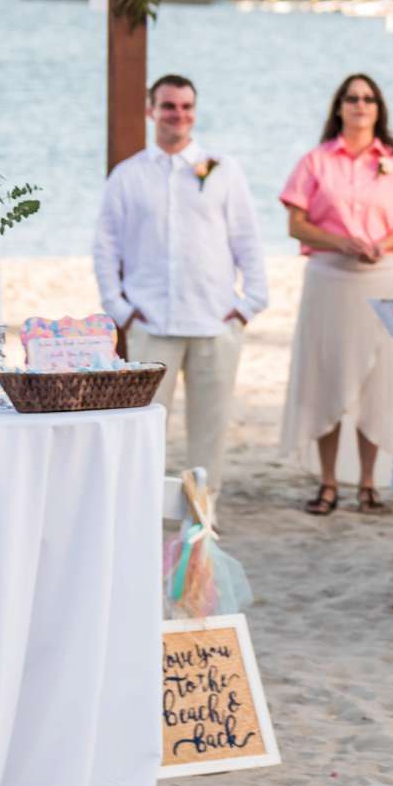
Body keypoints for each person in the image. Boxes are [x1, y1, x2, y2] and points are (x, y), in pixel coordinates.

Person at [93, 75, 270, 489]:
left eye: (187, 106)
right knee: (146, 431)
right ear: (151, 110)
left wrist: (249, 305)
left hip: (215, 323)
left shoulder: (224, 171)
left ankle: (202, 522)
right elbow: (105, 247)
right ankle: (143, 512)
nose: (179, 114)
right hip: (151, 324)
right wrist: (120, 309)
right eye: (170, 106)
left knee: (210, 435)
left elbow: (247, 239)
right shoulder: (128, 175)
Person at [277, 73, 393, 515]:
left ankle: (370, 482)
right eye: (352, 98)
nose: (360, 105)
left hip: (381, 278)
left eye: (368, 99)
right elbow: (295, 225)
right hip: (330, 279)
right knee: (328, 374)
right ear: (339, 106)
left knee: (380, 377)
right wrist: (342, 242)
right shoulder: (315, 161)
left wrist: (383, 244)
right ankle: (329, 481)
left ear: (379, 108)